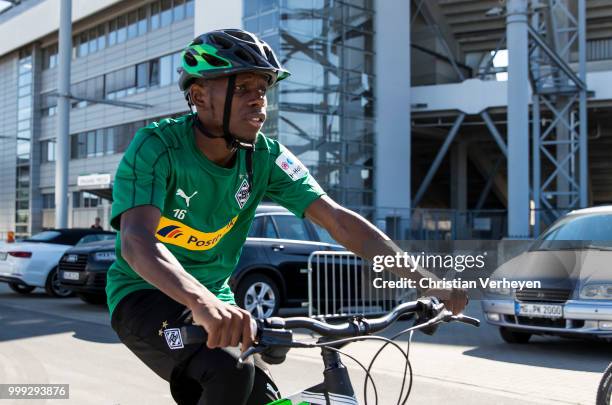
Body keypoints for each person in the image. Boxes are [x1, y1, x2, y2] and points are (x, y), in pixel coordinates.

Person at [107, 29, 468, 405]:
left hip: (218, 303)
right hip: (144, 295)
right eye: (243, 88)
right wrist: (200, 302)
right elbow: (137, 242)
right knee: (230, 372)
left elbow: (338, 220)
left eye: (263, 90)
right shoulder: (157, 146)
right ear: (199, 96)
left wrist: (425, 279)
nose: (258, 101)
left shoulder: (266, 157)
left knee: (265, 398)